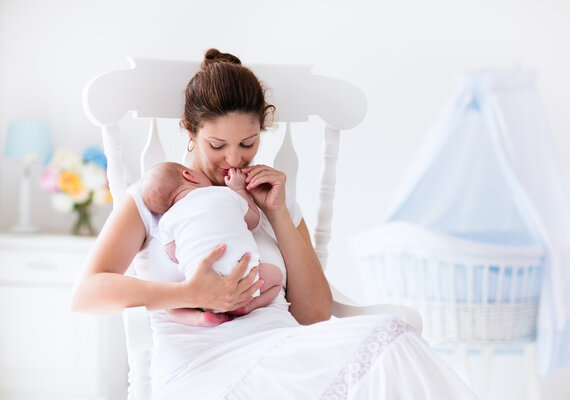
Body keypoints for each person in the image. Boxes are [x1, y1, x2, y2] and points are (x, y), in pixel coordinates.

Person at [71, 48, 476, 399]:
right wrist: (191, 292)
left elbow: (314, 314)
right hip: (206, 367)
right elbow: (87, 294)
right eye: (217, 145)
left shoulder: (268, 197)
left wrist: (278, 212)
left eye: (248, 144)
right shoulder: (156, 194)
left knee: (392, 339)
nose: (233, 160)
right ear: (190, 131)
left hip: (284, 351)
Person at [140, 161, 283, 325]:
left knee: (171, 308)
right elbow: (252, 220)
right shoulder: (224, 193)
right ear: (189, 175)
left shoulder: (166, 221)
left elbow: (174, 255)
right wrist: (239, 189)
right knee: (276, 278)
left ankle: (200, 317)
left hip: (201, 287)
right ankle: (247, 306)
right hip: (245, 279)